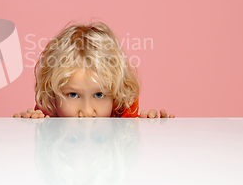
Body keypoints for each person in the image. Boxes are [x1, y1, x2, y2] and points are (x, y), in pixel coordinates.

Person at [13, 22, 174, 119]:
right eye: (73, 95)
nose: (88, 112)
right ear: (53, 96)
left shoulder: (125, 121)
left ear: (115, 94)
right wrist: (28, 129)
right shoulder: (47, 117)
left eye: (99, 94)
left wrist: (153, 132)